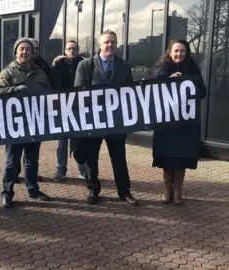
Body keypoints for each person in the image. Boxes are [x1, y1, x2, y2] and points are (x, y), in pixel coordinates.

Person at [74, 30, 139, 206]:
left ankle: (124, 192)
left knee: (119, 158)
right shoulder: (86, 65)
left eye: (113, 42)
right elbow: (79, 92)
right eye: (106, 42)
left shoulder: (124, 66)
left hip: (116, 122)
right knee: (91, 157)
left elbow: (129, 93)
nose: (110, 45)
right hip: (94, 121)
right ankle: (93, 189)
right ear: (100, 45)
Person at [0, 38, 52, 209]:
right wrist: (14, 89)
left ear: (33, 52)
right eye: (22, 49)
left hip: (35, 123)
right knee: (12, 161)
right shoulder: (8, 72)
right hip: (15, 125)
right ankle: (6, 193)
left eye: (28, 49)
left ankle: (33, 190)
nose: (25, 52)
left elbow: (49, 94)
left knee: (32, 160)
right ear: (16, 51)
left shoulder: (40, 73)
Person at [153, 39, 207, 205]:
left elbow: (202, 92)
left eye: (182, 51)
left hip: (185, 124)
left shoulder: (193, 69)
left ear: (186, 53)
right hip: (166, 123)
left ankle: (178, 190)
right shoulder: (162, 69)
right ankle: (167, 189)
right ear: (170, 52)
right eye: (176, 51)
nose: (179, 54)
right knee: (167, 156)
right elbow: (152, 90)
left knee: (181, 156)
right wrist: (169, 80)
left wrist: (187, 81)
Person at [50, 40, 87, 181]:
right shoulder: (58, 65)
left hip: (79, 109)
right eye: (69, 49)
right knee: (62, 142)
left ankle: (82, 170)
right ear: (65, 51)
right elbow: (51, 82)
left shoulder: (83, 64)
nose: (72, 51)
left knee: (79, 141)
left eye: (74, 48)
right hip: (62, 109)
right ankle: (61, 170)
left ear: (78, 50)